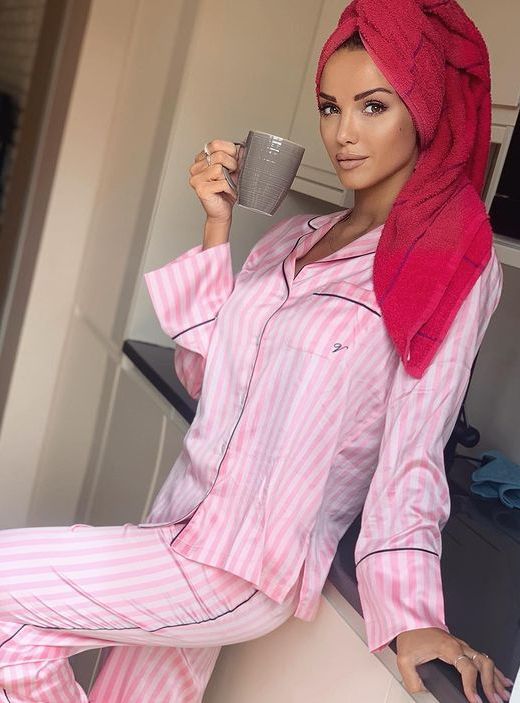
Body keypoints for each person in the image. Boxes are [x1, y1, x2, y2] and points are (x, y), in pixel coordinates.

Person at [0, 3, 514, 703]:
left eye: (373, 106)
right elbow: (209, 380)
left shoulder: (447, 264)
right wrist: (217, 227)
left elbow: (412, 454)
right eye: (330, 107)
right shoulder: (289, 240)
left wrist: (413, 616)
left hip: (241, 565)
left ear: (423, 110)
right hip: (178, 519)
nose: (343, 132)